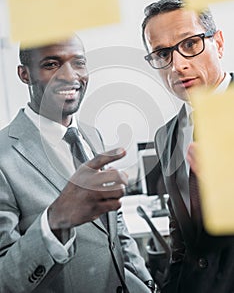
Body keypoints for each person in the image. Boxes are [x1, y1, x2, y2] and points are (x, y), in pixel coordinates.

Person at [0, 34, 155, 293]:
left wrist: (145, 281)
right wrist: (54, 221)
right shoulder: (4, 155)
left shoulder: (91, 136)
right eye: (51, 64)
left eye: (79, 62)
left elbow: (115, 227)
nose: (70, 75)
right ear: (24, 74)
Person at [142, 0, 234, 293]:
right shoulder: (166, 136)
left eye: (190, 44)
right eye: (161, 54)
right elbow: (181, 239)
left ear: (218, 43)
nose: (177, 65)